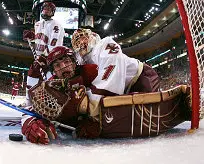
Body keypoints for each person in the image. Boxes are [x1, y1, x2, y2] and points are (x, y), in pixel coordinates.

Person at [22, 45, 191, 143]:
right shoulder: (52, 83)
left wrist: (93, 118)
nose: (63, 68)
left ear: (74, 62)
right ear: (53, 71)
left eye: (66, 61)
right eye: (57, 66)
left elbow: (111, 91)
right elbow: (29, 105)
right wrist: (29, 121)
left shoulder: (91, 71)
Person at [71, 28, 160, 96]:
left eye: (83, 38)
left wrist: (91, 93)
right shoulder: (83, 61)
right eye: (77, 42)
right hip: (125, 86)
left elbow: (110, 71)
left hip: (141, 78)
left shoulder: (104, 43)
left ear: (91, 36)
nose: (81, 43)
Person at [22, 2, 65, 105]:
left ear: (53, 13)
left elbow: (53, 43)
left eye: (49, 10)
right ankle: (29, 101)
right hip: (40, 57)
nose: (46, 11)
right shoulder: (38, 23)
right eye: (44, 9)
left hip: (53, 58)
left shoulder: (56, 25)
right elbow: (39, 40)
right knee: (32, 75)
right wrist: (31, 37)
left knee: (52, 81)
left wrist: (47, 58)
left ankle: (55, 103)